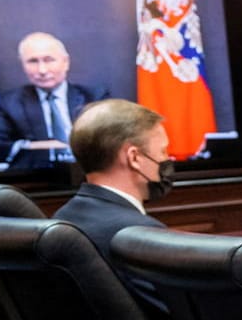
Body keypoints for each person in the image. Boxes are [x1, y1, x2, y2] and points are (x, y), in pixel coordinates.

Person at [56, 99, 174, 308]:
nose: (168, 159)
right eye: (163, 151)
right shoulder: (141, 235)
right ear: (134, 157)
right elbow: (184, 319)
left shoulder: (62, 218)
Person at [0, 33, 112, 169]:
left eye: (49, 60)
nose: (42, 70)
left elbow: (114, 140)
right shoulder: (12, 103)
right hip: (37, 180)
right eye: (33, 61)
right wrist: (31, 146)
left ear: (65, 62)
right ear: (23, 65)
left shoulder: (94, 96)